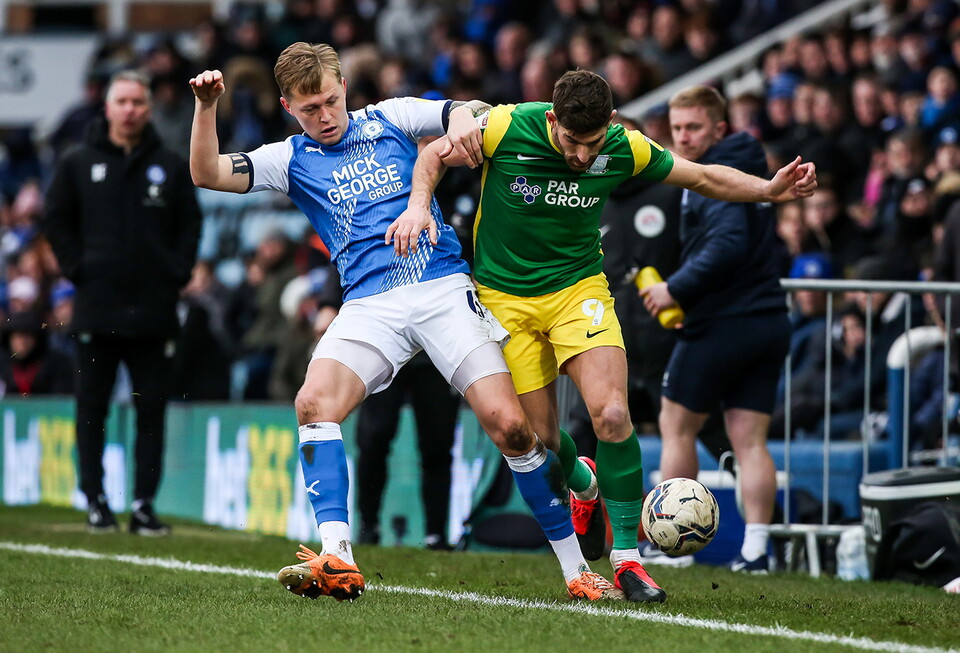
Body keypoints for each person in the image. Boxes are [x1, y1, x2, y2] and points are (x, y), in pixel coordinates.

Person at [189, 42, 624, 603]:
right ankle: (338, 556)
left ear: (344, 87)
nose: (324, 116)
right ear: (287, 107)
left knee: (512, 429)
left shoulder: (390, 116)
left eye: (330, 101)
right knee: (313, 404)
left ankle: (576, 570)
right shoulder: (289, 159)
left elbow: (464, 110)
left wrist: (462, 121)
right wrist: (207, 107)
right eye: (309, 109)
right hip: (370, 304)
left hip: (441, 287)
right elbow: (206, 173)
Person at [398, 71, 816, 597]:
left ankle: (627, 561)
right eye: (571, 141)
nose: (581, 155)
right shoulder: (506, 126)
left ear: (612, 124)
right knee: (541, 443)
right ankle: (584, 484)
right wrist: (418, 205)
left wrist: (769, 190)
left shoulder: (624, 147)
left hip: (578, 291)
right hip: (505, 300)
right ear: (553, 119)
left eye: (592, 143)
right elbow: (432, 157)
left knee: (613, 414)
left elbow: (703, 177)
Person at [640, 85, 792, 572]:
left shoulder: (718, 172)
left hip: (724, 321)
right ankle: (756, 550)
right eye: (677, 128)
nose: (683, 138)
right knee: (750, 441)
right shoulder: (751, 169)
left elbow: (727, 244)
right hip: (768, 318)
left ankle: (674, 547)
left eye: (694, 127)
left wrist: (675, 289)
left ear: (719, 129)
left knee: (676, 424)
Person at [44, 70, 202, 535]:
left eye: (138, 102)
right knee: (91, 408)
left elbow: (190, 223)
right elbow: (56, 219)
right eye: (122, 101)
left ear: (148, 109)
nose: (130, 110)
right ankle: (95, 500)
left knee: (151, 411)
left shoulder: (171, 164)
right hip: (97, 309)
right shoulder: (77, 162)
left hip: (154, 311)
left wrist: (177, 271)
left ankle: (143, 505)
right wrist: (77, 268)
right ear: (108, 107)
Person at [355, 351, 461, 551]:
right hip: (386, 350)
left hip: (436, 354)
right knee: (373, 439)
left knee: (438, 447)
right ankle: (368, 527)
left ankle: (436, 535)